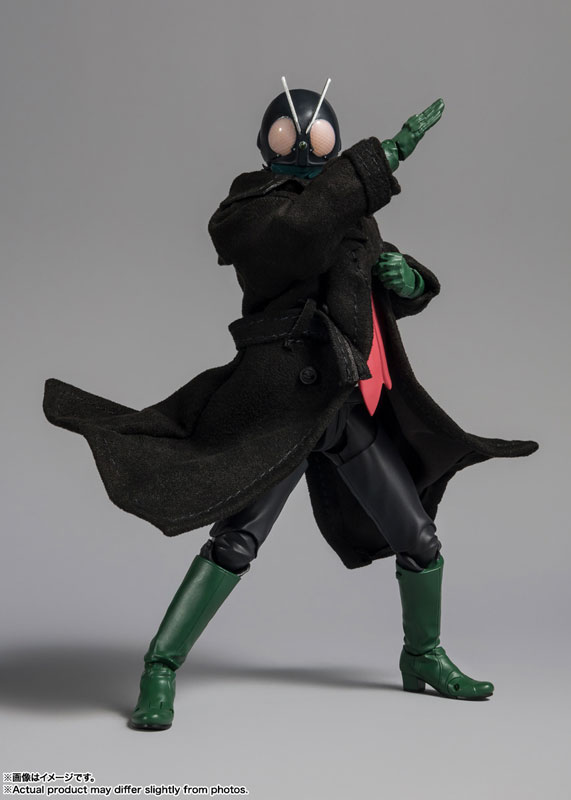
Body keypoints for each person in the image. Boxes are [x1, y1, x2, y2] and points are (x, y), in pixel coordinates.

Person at [43, 78, 538, 731]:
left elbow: (367, 274)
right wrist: (384, 156)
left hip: (342, 406)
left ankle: (422, 655)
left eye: (317, 137)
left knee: (419, 537)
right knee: (235, 543)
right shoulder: (249, 210)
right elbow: (300, 234)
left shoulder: (352, 214)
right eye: (288, 135)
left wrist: (408, 279)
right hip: (279, 408)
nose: (303, 146)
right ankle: (159, 668)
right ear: (265, 144)